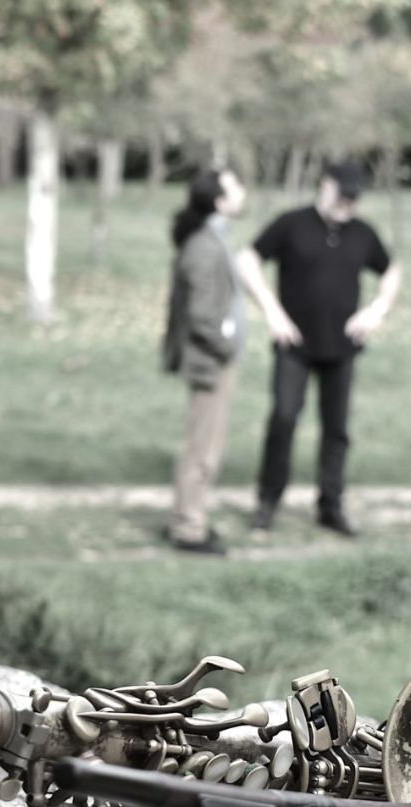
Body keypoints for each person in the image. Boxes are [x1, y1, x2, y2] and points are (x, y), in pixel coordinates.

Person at [234, 163, 402, 537]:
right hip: (293, 344)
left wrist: (377, 310)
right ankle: (268, 501)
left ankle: (331, 505)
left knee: (336, 429)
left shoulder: (362, 233)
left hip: (342, 348)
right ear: (324, 187)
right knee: (284, 419)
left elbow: (391, 270)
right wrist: (272, 312)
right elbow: (247, 260)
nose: (348, 203)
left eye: (354, 197)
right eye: (342, 194)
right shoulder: (292, 224)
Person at [163, 168, 249, 555]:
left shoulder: (213, 238)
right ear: (218, 200)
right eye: (234, 187)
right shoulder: (204, 245)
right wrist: (227, 347)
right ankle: (188, 528)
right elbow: (201, 315)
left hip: (215, 359)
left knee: (207, 445)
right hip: (210, 362)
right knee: (202, 448)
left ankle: (191, 519)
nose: (242, 191)